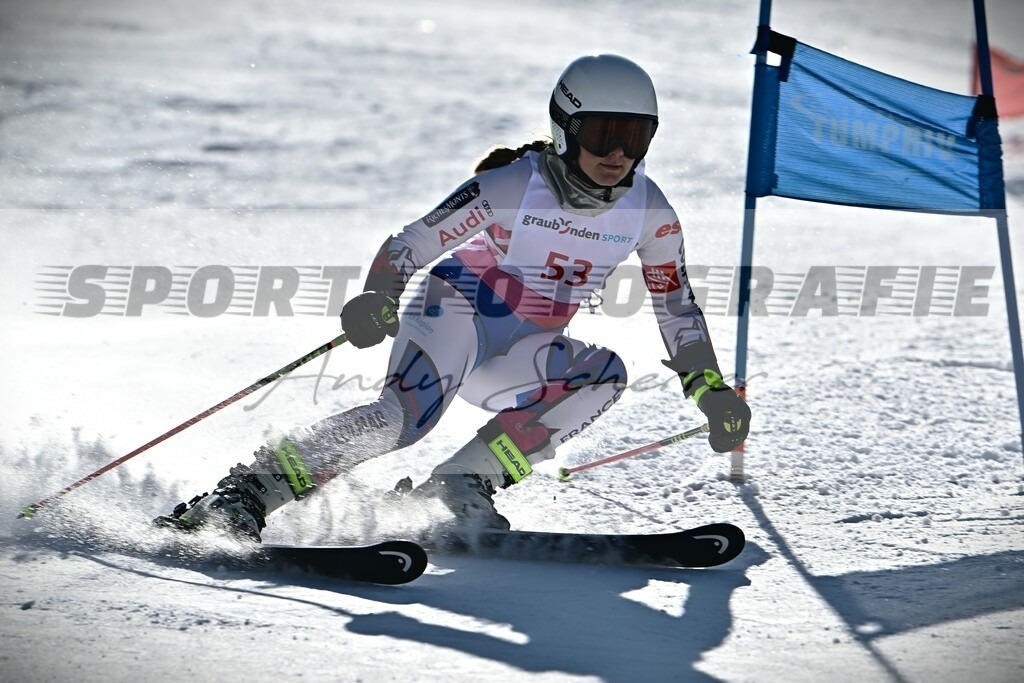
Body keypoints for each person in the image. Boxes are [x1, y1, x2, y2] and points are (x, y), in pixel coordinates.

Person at [158, 54, 751, 541]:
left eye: (635, 135)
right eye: (603, 133)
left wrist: (710, 388)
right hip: (457, 311)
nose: (619, 152)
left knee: (603, 376)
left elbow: (676, 305)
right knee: (404, 419)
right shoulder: (515, 184)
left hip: (520, 349)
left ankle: (466, 483)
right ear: (565, 128)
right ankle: (248, 492)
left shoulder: (650, 211)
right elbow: (410, 244)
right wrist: (378, 297)